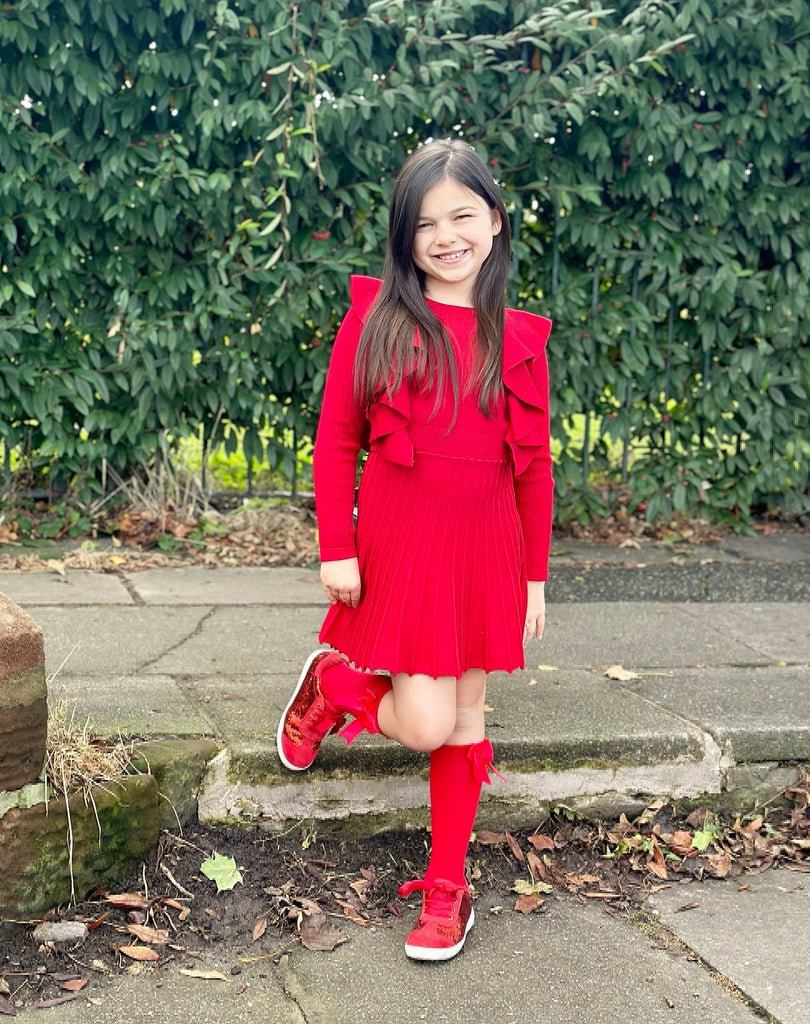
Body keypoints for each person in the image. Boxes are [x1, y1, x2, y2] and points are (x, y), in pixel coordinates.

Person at [276, 139, 553, 962]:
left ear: (494, 221)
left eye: (462, 216)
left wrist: (535, 578)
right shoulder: (378, 320)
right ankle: (334, 684)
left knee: (465, 718)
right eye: (425, 224)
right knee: (428, 723)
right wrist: (337, 546)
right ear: (405, 238)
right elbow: (337, 440)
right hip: (404, 540)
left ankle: (446, 886)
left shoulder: (519, 339)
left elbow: (535, 470)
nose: (446, 236)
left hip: (486, 549)